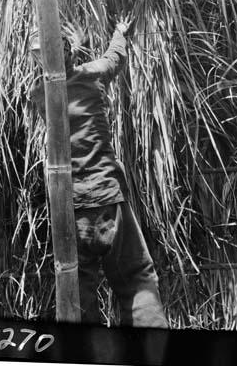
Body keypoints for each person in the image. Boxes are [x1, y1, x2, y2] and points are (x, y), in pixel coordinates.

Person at [29, 19, 168, 328]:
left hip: (71, 207)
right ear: (69, 52)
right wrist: (119, 31)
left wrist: (70, 49)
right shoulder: (92, 77)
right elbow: (114, 57)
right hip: (108, 197)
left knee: (78, 294)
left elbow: (56, 76)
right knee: (135, 277)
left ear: (39, 58)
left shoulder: (38, 95)